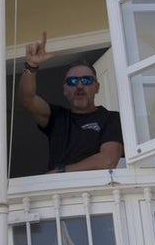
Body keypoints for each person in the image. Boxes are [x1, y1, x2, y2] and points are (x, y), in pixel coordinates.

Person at [18, 33, 123, 173]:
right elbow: (27, 99)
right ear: (65, 90)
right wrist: (31, 65)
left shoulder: (111, 119)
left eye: (86, 80)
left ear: (97, 87)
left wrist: (61, 171)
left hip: (97, 190)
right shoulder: (57, 117)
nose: (79, 86)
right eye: (72, 81)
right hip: (59, 193)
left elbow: (108, 160)